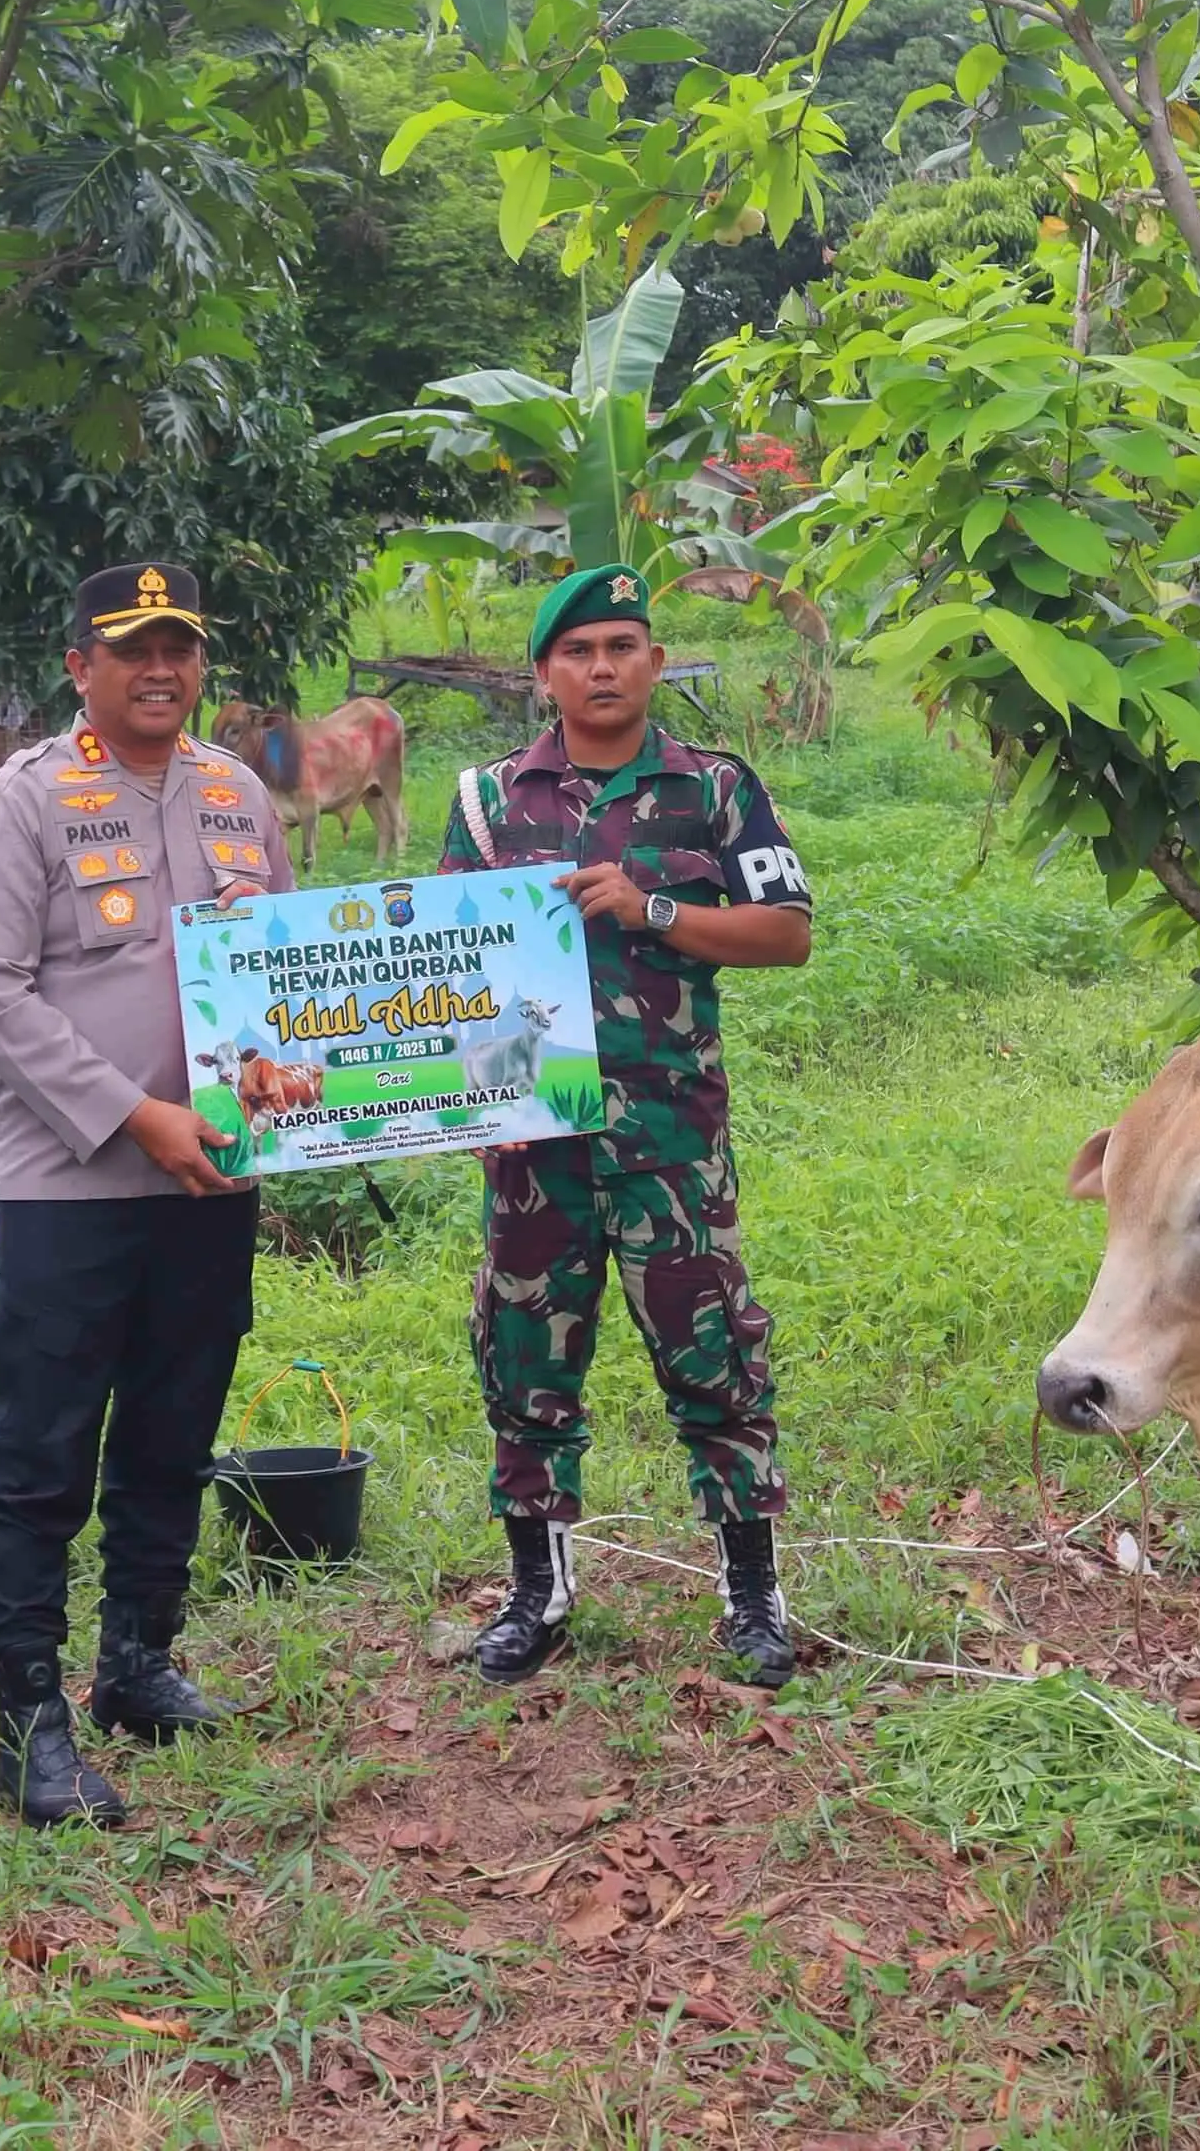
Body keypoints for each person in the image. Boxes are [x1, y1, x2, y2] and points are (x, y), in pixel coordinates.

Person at [0, 561, 290, 1827]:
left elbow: (282, 977)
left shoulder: (238, 790)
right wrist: (132, 1114)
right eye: (131, 647)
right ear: (79, 663)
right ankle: (26, 1719)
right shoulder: (17, 801)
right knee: (40, 1452)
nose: (160, 669)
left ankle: (136, 1660)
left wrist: (300, 1084)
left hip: (209, 1179)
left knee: (170, 1430)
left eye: (179, 647)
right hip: (67, 1187)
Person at [440, 563, 818, 1690]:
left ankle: (751, 1593)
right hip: (530, 1140)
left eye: (620, 644)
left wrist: (653, 907)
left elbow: (786, 931)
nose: (600, 666)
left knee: (712, 1355)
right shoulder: (484, 801)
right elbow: (447, 966)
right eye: (577, 650)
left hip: (666, 1134)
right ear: (544, 671)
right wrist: (460, 1101)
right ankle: (535, 1592)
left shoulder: (714, 788)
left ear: (654, 660)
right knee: (525, 1356)